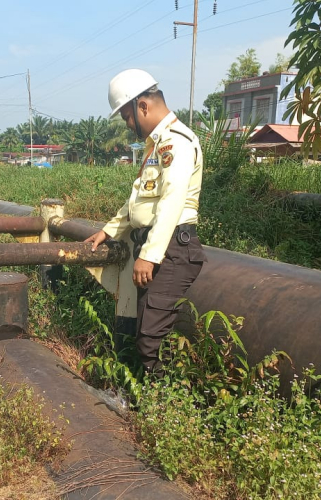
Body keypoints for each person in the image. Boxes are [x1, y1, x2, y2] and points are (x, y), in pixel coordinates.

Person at [85, 69, 206, 374]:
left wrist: (149, 257)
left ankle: (160, 409)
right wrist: (108, 231)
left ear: (143, 106)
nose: (128, 125)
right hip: (156, 247)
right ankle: (151, 403)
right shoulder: (156, 146)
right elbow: (138, 200)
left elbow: (171, 202)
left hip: (171, 250)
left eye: (127, 117)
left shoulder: (175, 143)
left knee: (151, 339)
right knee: (148, 333)